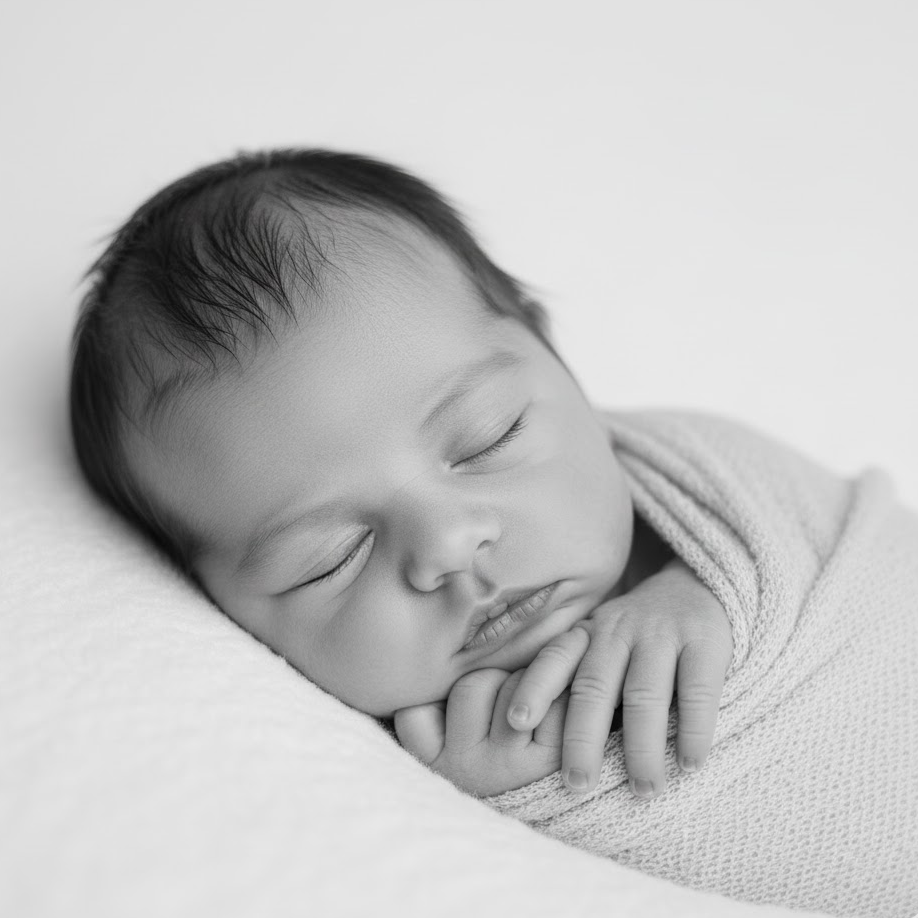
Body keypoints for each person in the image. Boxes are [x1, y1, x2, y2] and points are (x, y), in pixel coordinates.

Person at [69, 149, 733, 800]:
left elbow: (824, 534)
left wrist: (710, 593)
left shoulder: (713, 485)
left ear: (557, 359)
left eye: (488, 436)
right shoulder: (361, 784)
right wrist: (501, 808)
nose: (446, 543)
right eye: (332, 559)